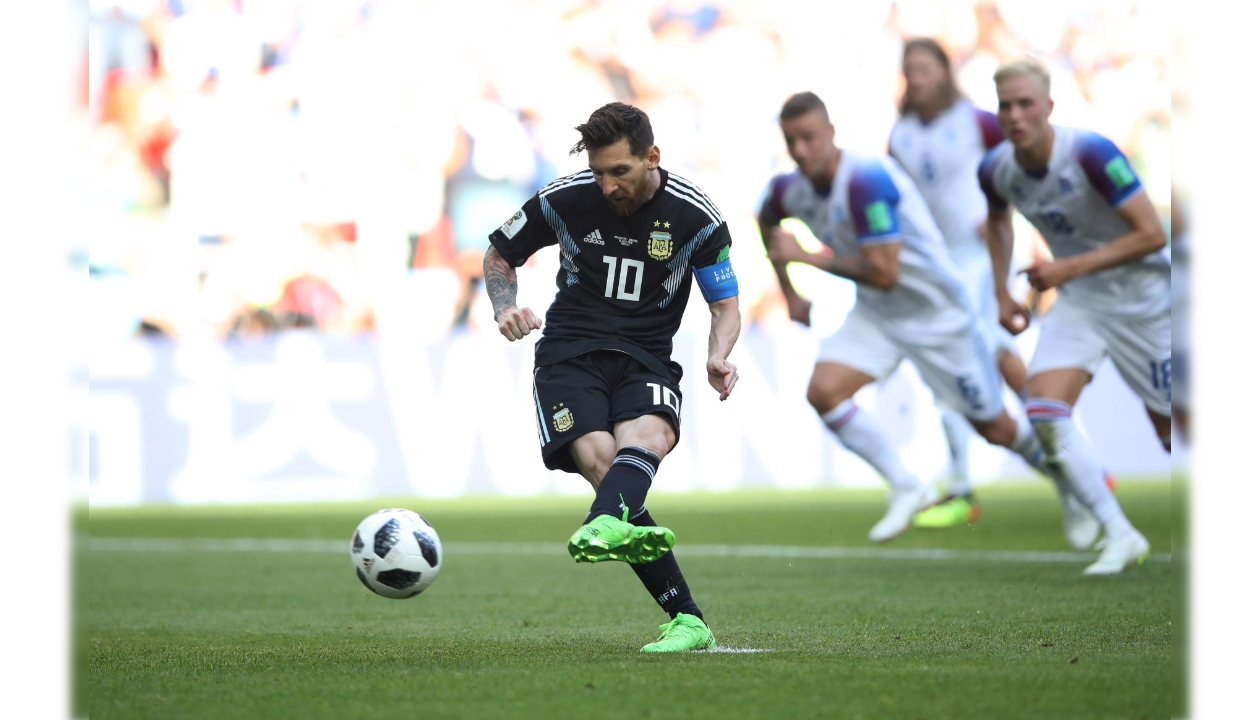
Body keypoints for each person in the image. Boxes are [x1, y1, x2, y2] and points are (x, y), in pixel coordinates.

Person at [483, 102, 741, 652]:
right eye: (598, 172)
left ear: (652, 158)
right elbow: (499, 255)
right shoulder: (565, 199)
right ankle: (687, 618)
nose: (606, 185)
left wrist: (719, 354)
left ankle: (607, 527)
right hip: (569, 353)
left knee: (650, 438)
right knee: (604, 462)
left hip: (647, 354)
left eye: (618, 172)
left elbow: (725, 306)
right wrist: (505, 306)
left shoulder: (696, 217)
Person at [761, 92, 1058, 546]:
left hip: (936, 313)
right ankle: (907, 484)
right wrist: (790, 292)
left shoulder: (866, 179)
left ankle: (1073, 480)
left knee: (996, 427)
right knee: (823, 391)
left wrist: (807, 259)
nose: (800, 150)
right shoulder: (790, 189)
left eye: (808, 138)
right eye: (791, 141)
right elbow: (768, 219)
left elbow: (885, 271)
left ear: (831, 133)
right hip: (880, 316)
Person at [979, 58, 1167, 574]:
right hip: (1082, 301)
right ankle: (1120, 532)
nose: (1014, 115)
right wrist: (1000, 291)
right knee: (1043, 410)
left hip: (1145, 300)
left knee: (1172, 430)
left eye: (1025, 104)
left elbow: (1153, 233)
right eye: (1005, 106)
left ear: (1048, 107)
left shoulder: (1091, 152)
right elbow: (997, 225)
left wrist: (1068, 267)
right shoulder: (996, 169)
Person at [888, 37, 1028, 528]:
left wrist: (1002, 216)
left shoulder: (977, 121)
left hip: (982, 258)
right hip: (938, 266)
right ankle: (971, 483)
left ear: (945, 72)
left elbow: (1022, 167)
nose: (918, 77)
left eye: (926, 68)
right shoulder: (900, 134)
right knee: (968, 359)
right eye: (911, 69)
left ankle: (1058, 443)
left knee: (977, 351)